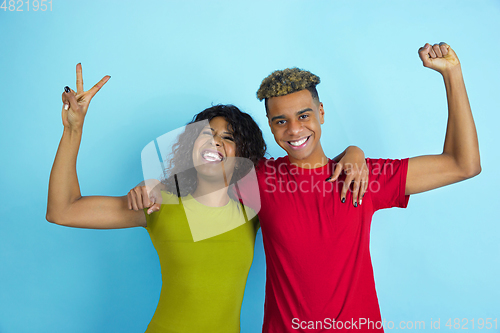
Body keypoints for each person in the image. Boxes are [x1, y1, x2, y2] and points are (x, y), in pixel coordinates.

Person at [46, 64, 369, 332]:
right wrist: (73, 130)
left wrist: (353, 152)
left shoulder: (255, 208)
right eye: (206, 135)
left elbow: (307, 167)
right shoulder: (157, 203)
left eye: (228, 138)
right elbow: (63, 211)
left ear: (244, 154)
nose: (215, 143)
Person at [240, 42, 479, 332]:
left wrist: (452, 74)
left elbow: (463, 164)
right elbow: (198, 179)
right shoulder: (261, 178)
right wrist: (166, 187)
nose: (294, 129)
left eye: (304, 116)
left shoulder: (362, 176)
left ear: (321, 112)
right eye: (281, 121)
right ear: (269, 124)